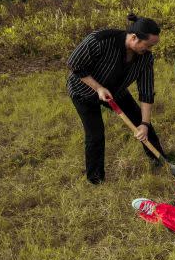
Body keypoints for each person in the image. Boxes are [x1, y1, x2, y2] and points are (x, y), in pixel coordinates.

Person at [66, 14, 167, 184]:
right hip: (83, 91)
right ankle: (96, 180)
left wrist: (145, 124)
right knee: (95, 135)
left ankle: (161, 161)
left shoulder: (145, 58)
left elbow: (146, 91)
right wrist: (98, 88)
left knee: (141, 121)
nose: (150, 50)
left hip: (116, 91)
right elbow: (74, 64)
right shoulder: (100, 40)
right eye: (148, 45)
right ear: (134, 38)